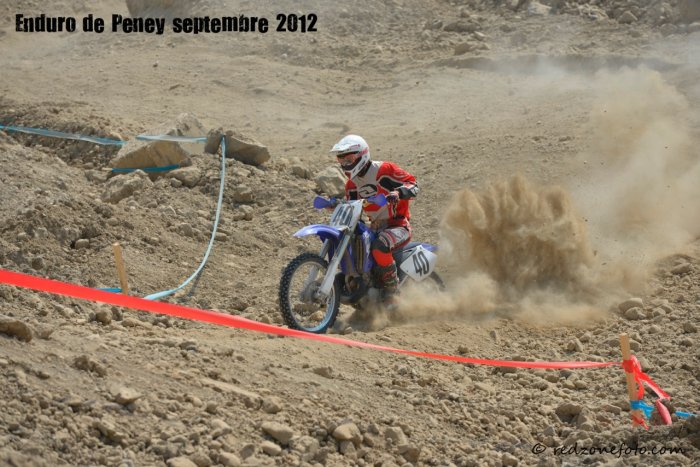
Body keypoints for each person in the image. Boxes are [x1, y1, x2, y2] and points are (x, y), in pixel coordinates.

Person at [329, 134, 419, 306]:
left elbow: (413, 184)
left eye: (349, 159)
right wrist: (337, 205)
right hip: (375, 227)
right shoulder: (351, 184)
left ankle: (392, 291)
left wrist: (398, 192)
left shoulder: (384, 170)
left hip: (398, 225)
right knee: (354, 242)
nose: (345, 164)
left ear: (362, 155)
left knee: (380, 245)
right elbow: (352, 209)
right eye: (341, 160)